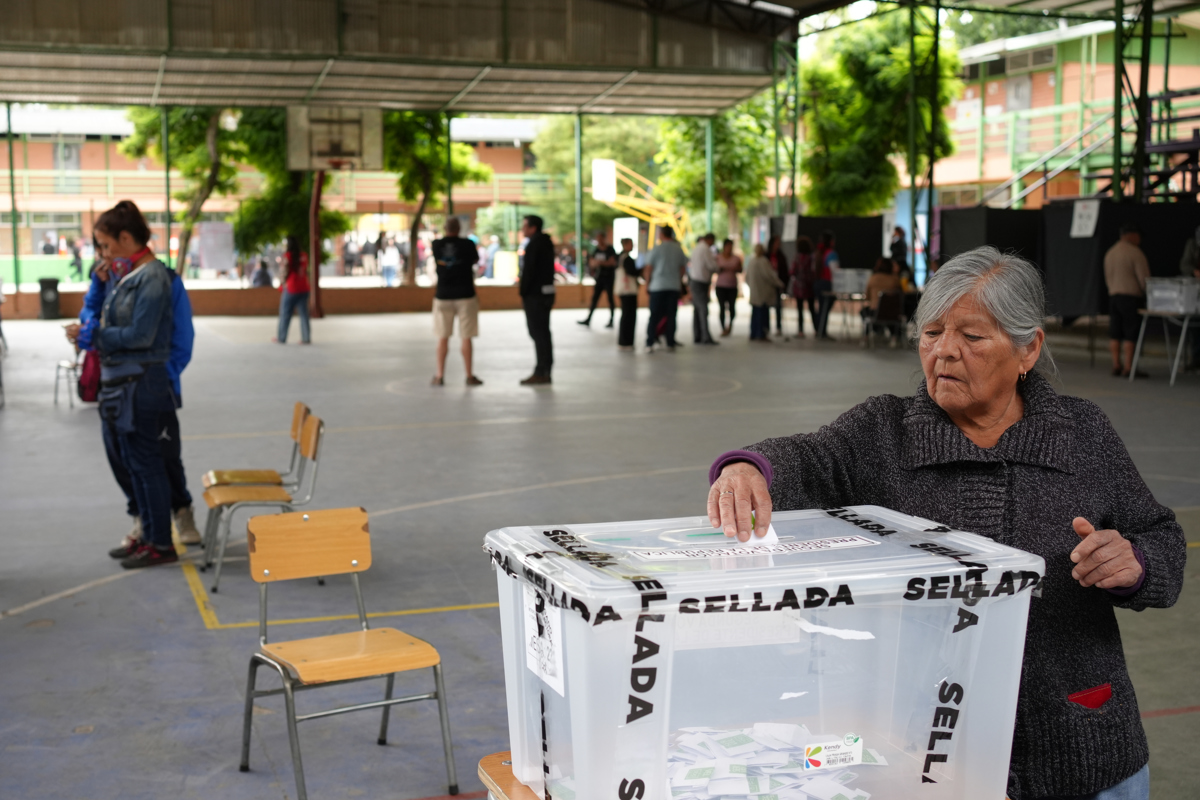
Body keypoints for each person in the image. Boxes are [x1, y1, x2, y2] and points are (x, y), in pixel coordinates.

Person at [708, 246, 1184, 800]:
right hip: (926, 754)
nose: (944, 351)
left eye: (972, 336)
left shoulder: (1083, 433)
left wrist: (1135, 563)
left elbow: (1162, 539)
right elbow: (807, 458)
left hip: (1081, 748)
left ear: (1028, 349)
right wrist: (747, 467)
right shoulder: (884, 432)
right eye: (932, 333)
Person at [90, 201, 181, 568]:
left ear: (126, 238)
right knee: (132, 461)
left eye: (106, 245)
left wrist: (98, 336)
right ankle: (147, 535)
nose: (103, 253)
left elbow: (141, 335)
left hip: (142, 382)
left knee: (147, 463)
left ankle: (161, 543)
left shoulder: (153, 277)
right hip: (124, 382)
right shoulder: (125, 276)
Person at [430, 217, 483, 387]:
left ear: (444, 228)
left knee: (442, 337)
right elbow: (475, 260)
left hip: (443, 295)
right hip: (466, 294)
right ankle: (469, 375)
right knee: (466, 337)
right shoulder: (468, 244)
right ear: (459, 228)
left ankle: (439, 376)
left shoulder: (437, 245)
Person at [1104, 222, 1150, 378]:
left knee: (1115, 332)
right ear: (1132, 235)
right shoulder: (1135, 252)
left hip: (1113, 296)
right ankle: (1129, 367)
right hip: (1130, 298)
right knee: (1131, 332)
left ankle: (1116, 364)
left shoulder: (1110, 252)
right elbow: (1144, 279)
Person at [518, 215, 556, 385]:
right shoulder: (545, 243)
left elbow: (530, 271)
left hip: (536, 296)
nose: (523, 229)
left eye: (525, 226)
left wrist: (523, 291)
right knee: (543, 332)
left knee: (539, 332)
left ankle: (542, 371)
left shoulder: (535, 244)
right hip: (545, 294)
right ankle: (544, 369)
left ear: (533, 228)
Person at [643, 226, 689, 353]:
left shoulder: (656, 249)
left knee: (654, 315)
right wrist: (678, 280)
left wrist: (647, 284)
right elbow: (683, 268)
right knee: (671, 315)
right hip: (673, 286)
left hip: (657, 286)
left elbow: (648, 268)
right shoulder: (678, 249)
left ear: (661, 234)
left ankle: (650, 342)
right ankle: (670, 342)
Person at [275, 236, 311, 345]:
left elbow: (283, 272)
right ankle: (306, 338)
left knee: (285, 314)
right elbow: (306, 270)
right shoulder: (304, 255)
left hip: (291, 288)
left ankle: (281, 337)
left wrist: (282, 284)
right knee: (304, 315)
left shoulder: (287, 256)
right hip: (304, 287)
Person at [745, 243, 783, 342]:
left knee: (755, 313)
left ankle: (753, 333)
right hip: (763, 292)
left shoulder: (752, 261)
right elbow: (770, 276)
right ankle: (761, 334)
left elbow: (747, 278)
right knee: (763, 313)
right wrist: (779, 284)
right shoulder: (763, 261)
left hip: (755, 292)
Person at [579, 231, 617, 328]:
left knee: (610, 299)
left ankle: (611, 320)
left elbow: (612, 262)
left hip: (609, 278)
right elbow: (592, 263)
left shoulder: (610, 250)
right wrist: (599, 263)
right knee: (594, 299)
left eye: (600, 238)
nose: (599, 241)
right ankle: (588, 319)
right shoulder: (596, 250)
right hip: (599, 278)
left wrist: (600, 263)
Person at [688, 233, 719, 345]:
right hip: (700, 282)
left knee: (697, 310)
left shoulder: (697, 247)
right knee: (702, 310)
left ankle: (698, 335)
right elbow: (711, 265)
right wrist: (719, 268)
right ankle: (705, 336)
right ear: (710, 239)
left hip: (694, 281)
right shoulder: (705, 249)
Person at [614, 237, 641, 351]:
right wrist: (642, 270)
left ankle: (624, 341)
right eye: (630, 244)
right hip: (628, 292)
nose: (632, 246)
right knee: (629, 316)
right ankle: (626, 342)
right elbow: (632, 272)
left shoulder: (621, 257)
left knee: (626, 316)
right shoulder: (626, 259)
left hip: (625, 292)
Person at [789, 236, 817, 338]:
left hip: (799, 287)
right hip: (809, 286)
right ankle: (817, 329)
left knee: (800, 309)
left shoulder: (797, 257)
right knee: (812, 308)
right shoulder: (811, 258)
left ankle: (800, 331)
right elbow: (814, 272)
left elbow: (792, 271)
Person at [714, 239, 742, 337]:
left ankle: (730, 325)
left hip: (732, 286)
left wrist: (735, 269)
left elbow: (740, 269)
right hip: (721, 286)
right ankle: (723, 328)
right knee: (722, 307)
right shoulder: (718, 257)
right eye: (728, 246)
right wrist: (721, 269)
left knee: (732, 308)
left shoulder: (736, 258)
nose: (729, 248)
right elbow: (714, 269)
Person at [813, 230, 838, 340]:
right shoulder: (831, 254)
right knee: (824, 309)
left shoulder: (817, 253)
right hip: (827, 284)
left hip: (817, 283)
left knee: (821, 308)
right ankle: (822, 332)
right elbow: (835, 272)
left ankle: (819, 330)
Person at [767, 235, 788, 336]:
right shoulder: (766, 255)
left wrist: (783, 284)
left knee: (778, 306)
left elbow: (784, 271)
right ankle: (766, 327)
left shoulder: (781, 256)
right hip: (767, 284)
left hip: (777, 283)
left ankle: (778, 327)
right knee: (766, 305)